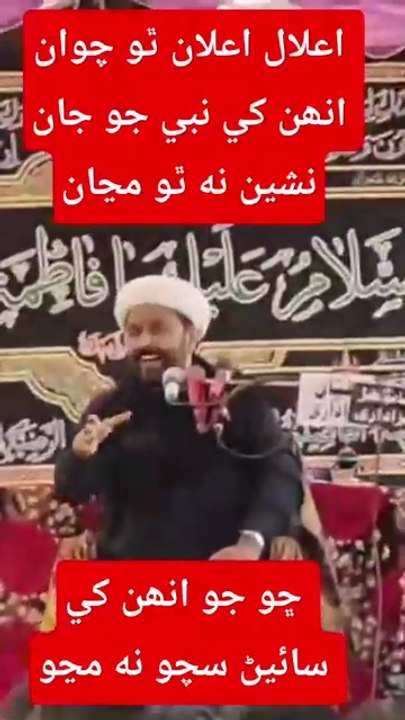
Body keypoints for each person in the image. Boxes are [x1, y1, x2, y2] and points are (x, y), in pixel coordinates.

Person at [54, 275, 303, 562]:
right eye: (134, 332)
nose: (145, 342)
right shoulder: (110, 408)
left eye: (158, 329)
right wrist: (79, 456)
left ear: (191, 335)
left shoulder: (237, 398)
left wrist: (250, 543)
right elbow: (72, 491)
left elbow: (279, 474)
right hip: (133, 576)